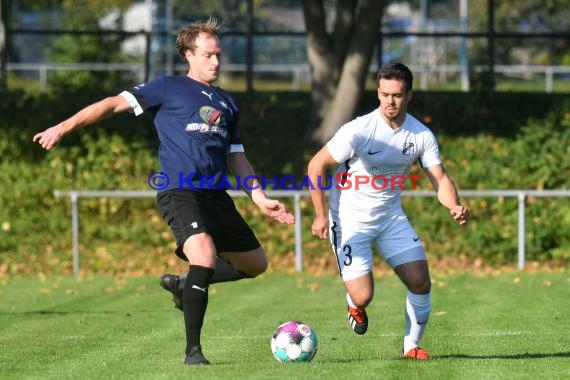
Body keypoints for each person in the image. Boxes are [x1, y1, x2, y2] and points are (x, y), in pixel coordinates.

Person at [33, 17, 295, 365]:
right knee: (203, 254)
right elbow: (112, 104)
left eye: (218, 55)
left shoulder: (228, 103)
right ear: (188, 54)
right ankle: (193, 352)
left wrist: (260, 199)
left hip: (216, 196)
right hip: (179, 191)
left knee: (256, 263)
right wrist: (64, 126)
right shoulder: (167, 87)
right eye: (207, 55)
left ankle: (187, 285)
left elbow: (238, 159)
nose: (215, 62)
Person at [307, 62, 470, 361]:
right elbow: (317, 165)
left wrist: (454, 205)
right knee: (363, 296)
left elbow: (440, 179)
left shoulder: (420, 135)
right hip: (349, 219)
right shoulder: (359, 130)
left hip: (390, 217)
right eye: (384, 94)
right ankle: (354, 303)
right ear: (378, 93)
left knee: (420, 281)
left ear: (409, 95)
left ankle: (412, 346)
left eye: (396, 95)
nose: (389, 101)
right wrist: (320, 215)